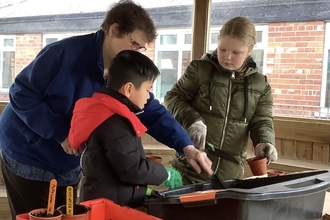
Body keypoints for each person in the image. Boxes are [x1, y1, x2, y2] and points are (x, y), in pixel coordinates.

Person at [0, 0, 212, 218]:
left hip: (70, 160)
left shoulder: (124, 69)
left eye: (141, 48)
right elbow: (21, 93)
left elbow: (150, 110)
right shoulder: (62, 54)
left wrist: (186, 146)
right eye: (134, 44)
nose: (137, 52)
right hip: (27, 149)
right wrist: (60, 131)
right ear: (114, 30)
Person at [164, 16, 278, 184]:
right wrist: (193, 121)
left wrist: (264, 143)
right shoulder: (199, 70)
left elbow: (262, 121)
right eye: (222, 49)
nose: (227, 57)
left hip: (230, 177)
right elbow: (172, 98)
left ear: (250, 49)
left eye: (236, 52)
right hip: (189, 169)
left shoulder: (260, 85)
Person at [68, 50, 182, 207]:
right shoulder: (114, 122)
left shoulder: (106, 113)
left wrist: (143, 190)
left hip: (107, 198)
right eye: (147, 90)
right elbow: (132, 169)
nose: (149, 96)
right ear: (129, 89)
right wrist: (165, 174)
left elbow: (116, 165)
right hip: (109, 207)